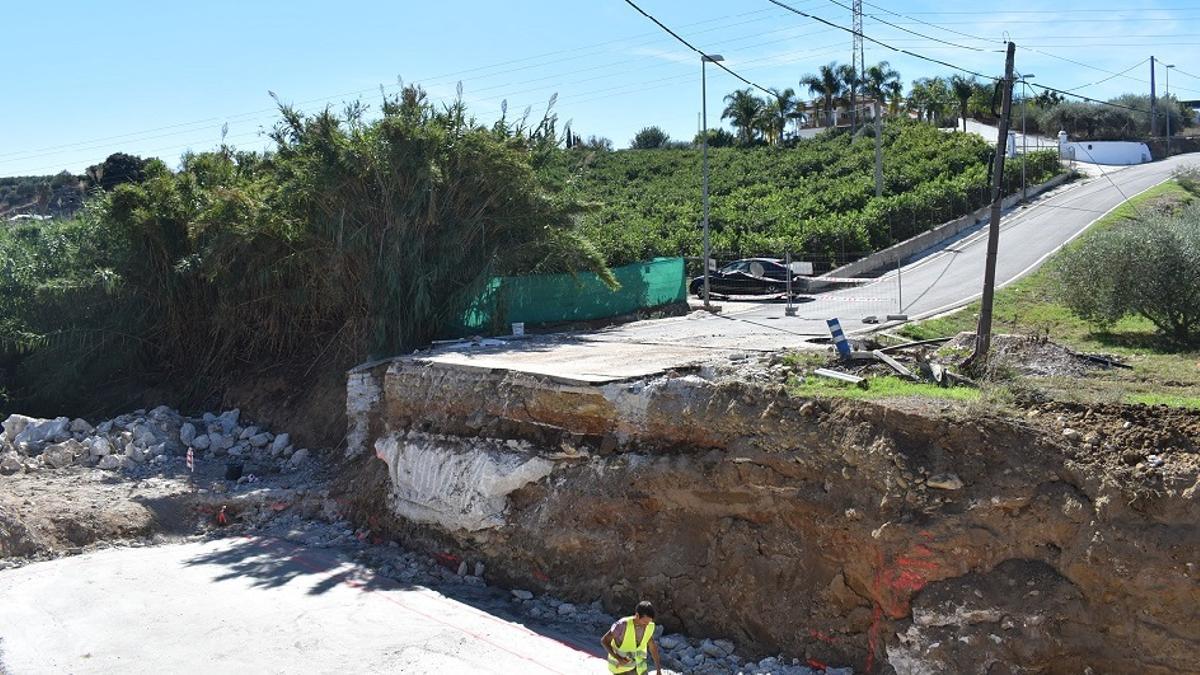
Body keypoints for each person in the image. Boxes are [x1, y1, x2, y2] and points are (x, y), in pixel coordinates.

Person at [601, 600, 662, 675]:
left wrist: (658, 670)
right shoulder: (622, 625)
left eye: (648, 622)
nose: (646, 625)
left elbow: (653, 647)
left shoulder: (648, 626)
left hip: (640, 669)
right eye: (644, 622)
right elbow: (604, 640)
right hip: (620, 670)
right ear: (637, 615)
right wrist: (618, 658)